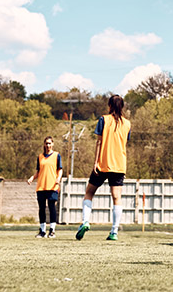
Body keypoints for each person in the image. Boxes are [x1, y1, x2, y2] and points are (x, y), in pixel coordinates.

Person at [76, 95, 131, 242]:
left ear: (109, 106)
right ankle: (114, 231)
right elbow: (124, 144)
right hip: (119, 165)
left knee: (89, 193)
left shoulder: (103, 120)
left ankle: (85, 222)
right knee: (116, 198)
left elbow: (99, 143)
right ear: (122, 107)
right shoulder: (127, 124)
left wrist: (95, 162)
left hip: (103, 163)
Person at [27, 136, 63, 238]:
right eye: (46, 143)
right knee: (41, 208)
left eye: (49, 143)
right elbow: (38, 171)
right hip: (41, 186)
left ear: (53, 144)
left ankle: (52, 230)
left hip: (52, 186)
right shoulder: (40, 157)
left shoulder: (56, 155)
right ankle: (42, 231)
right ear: (44, 144)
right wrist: (32, 178)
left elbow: (60, 169)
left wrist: (58, 179)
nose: (48, 145)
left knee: (52, 207)